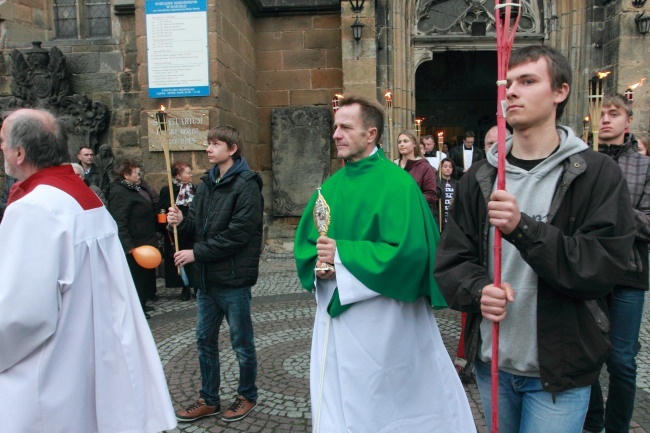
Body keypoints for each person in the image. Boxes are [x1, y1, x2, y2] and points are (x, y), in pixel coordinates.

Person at [434, 45, 636, 433]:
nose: (511, 92)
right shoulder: (480, 177)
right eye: (508, 83)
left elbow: (601, 267)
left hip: (560, 371)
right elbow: (452, 261)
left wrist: (523, 228)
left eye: (527, 82)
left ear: (560, 91)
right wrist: (478, 291)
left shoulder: (596, 175)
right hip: (493, 361)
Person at [294, 95, 475, 433]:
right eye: (335, 127)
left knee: (389, 395)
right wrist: (324, 265)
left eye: (346, 127)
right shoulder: (330, 187)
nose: (336, 134)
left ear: (372, 134)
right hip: (339, 315)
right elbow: (308, 244)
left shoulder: (399, 185)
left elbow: (413, 252)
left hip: (388, 317)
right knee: (340, 394)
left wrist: (343, 255)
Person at [0, 108, 176, 433]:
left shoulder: (32, 209)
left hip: (45, 374)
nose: (2, 149)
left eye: (2, 142)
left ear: (20, 152)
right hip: (88, 358)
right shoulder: (85, 199)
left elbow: (19, 316)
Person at [168, 125, 263, 424]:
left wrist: (197, 253)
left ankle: (246, 395)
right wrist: (181, 220)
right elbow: (196, 224)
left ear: (232, 149)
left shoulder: (247, 184)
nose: (208, 149)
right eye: (208, 143)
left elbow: (239, 234)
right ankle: (209, 399)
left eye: (215, 144)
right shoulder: (207, 182)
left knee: (241, 342)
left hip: (233, 279)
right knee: (204, 340)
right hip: (207, 280)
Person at [583, 94, 650, 433]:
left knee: (622, 361)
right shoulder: (583, 161)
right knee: (590, 357)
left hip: (629, 274)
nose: (606, 119)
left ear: (628, 120)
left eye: (614, 113)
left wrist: (617, 207)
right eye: (602, 114)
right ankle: (592, 423)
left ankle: (618, 427)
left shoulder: (644, 166)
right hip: (590, 271)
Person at [108, 159, 158, 319]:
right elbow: (118, 221)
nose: (139, 176)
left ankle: (141, 304)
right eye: (136, 173)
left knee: (143, 279)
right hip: (135, 246)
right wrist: (129, 247)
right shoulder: (120, 192)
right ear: (126, 174)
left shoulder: (135, 189)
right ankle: (137, 311)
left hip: (145, 242)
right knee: (136, 279)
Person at [158, 160, 197, 300]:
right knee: (179, 258)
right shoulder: (167, 190)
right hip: (175, 232)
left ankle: (196, 285)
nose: (191, 175)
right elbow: (161, 210)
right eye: (188, 173)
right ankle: (184, 287)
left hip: (192, 230)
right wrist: (166, 225)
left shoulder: (195, 189)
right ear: (179, 175)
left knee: (194, 258)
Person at [394, 129, 438, 216]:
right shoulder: (394, 166)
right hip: (396, 213)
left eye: (405, 141)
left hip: (416, 214)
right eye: (399, 142)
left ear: (414, 144)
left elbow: (431, 195)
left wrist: (411, 198)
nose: (401, 144)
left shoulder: (425, 167)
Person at [435, 157, 457, 231]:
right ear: (440, 168)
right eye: (445, 166)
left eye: (450, 167)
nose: (448, 168)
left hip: (453, 218)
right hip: (440, 218)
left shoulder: (457, 184)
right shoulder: (436, 183)